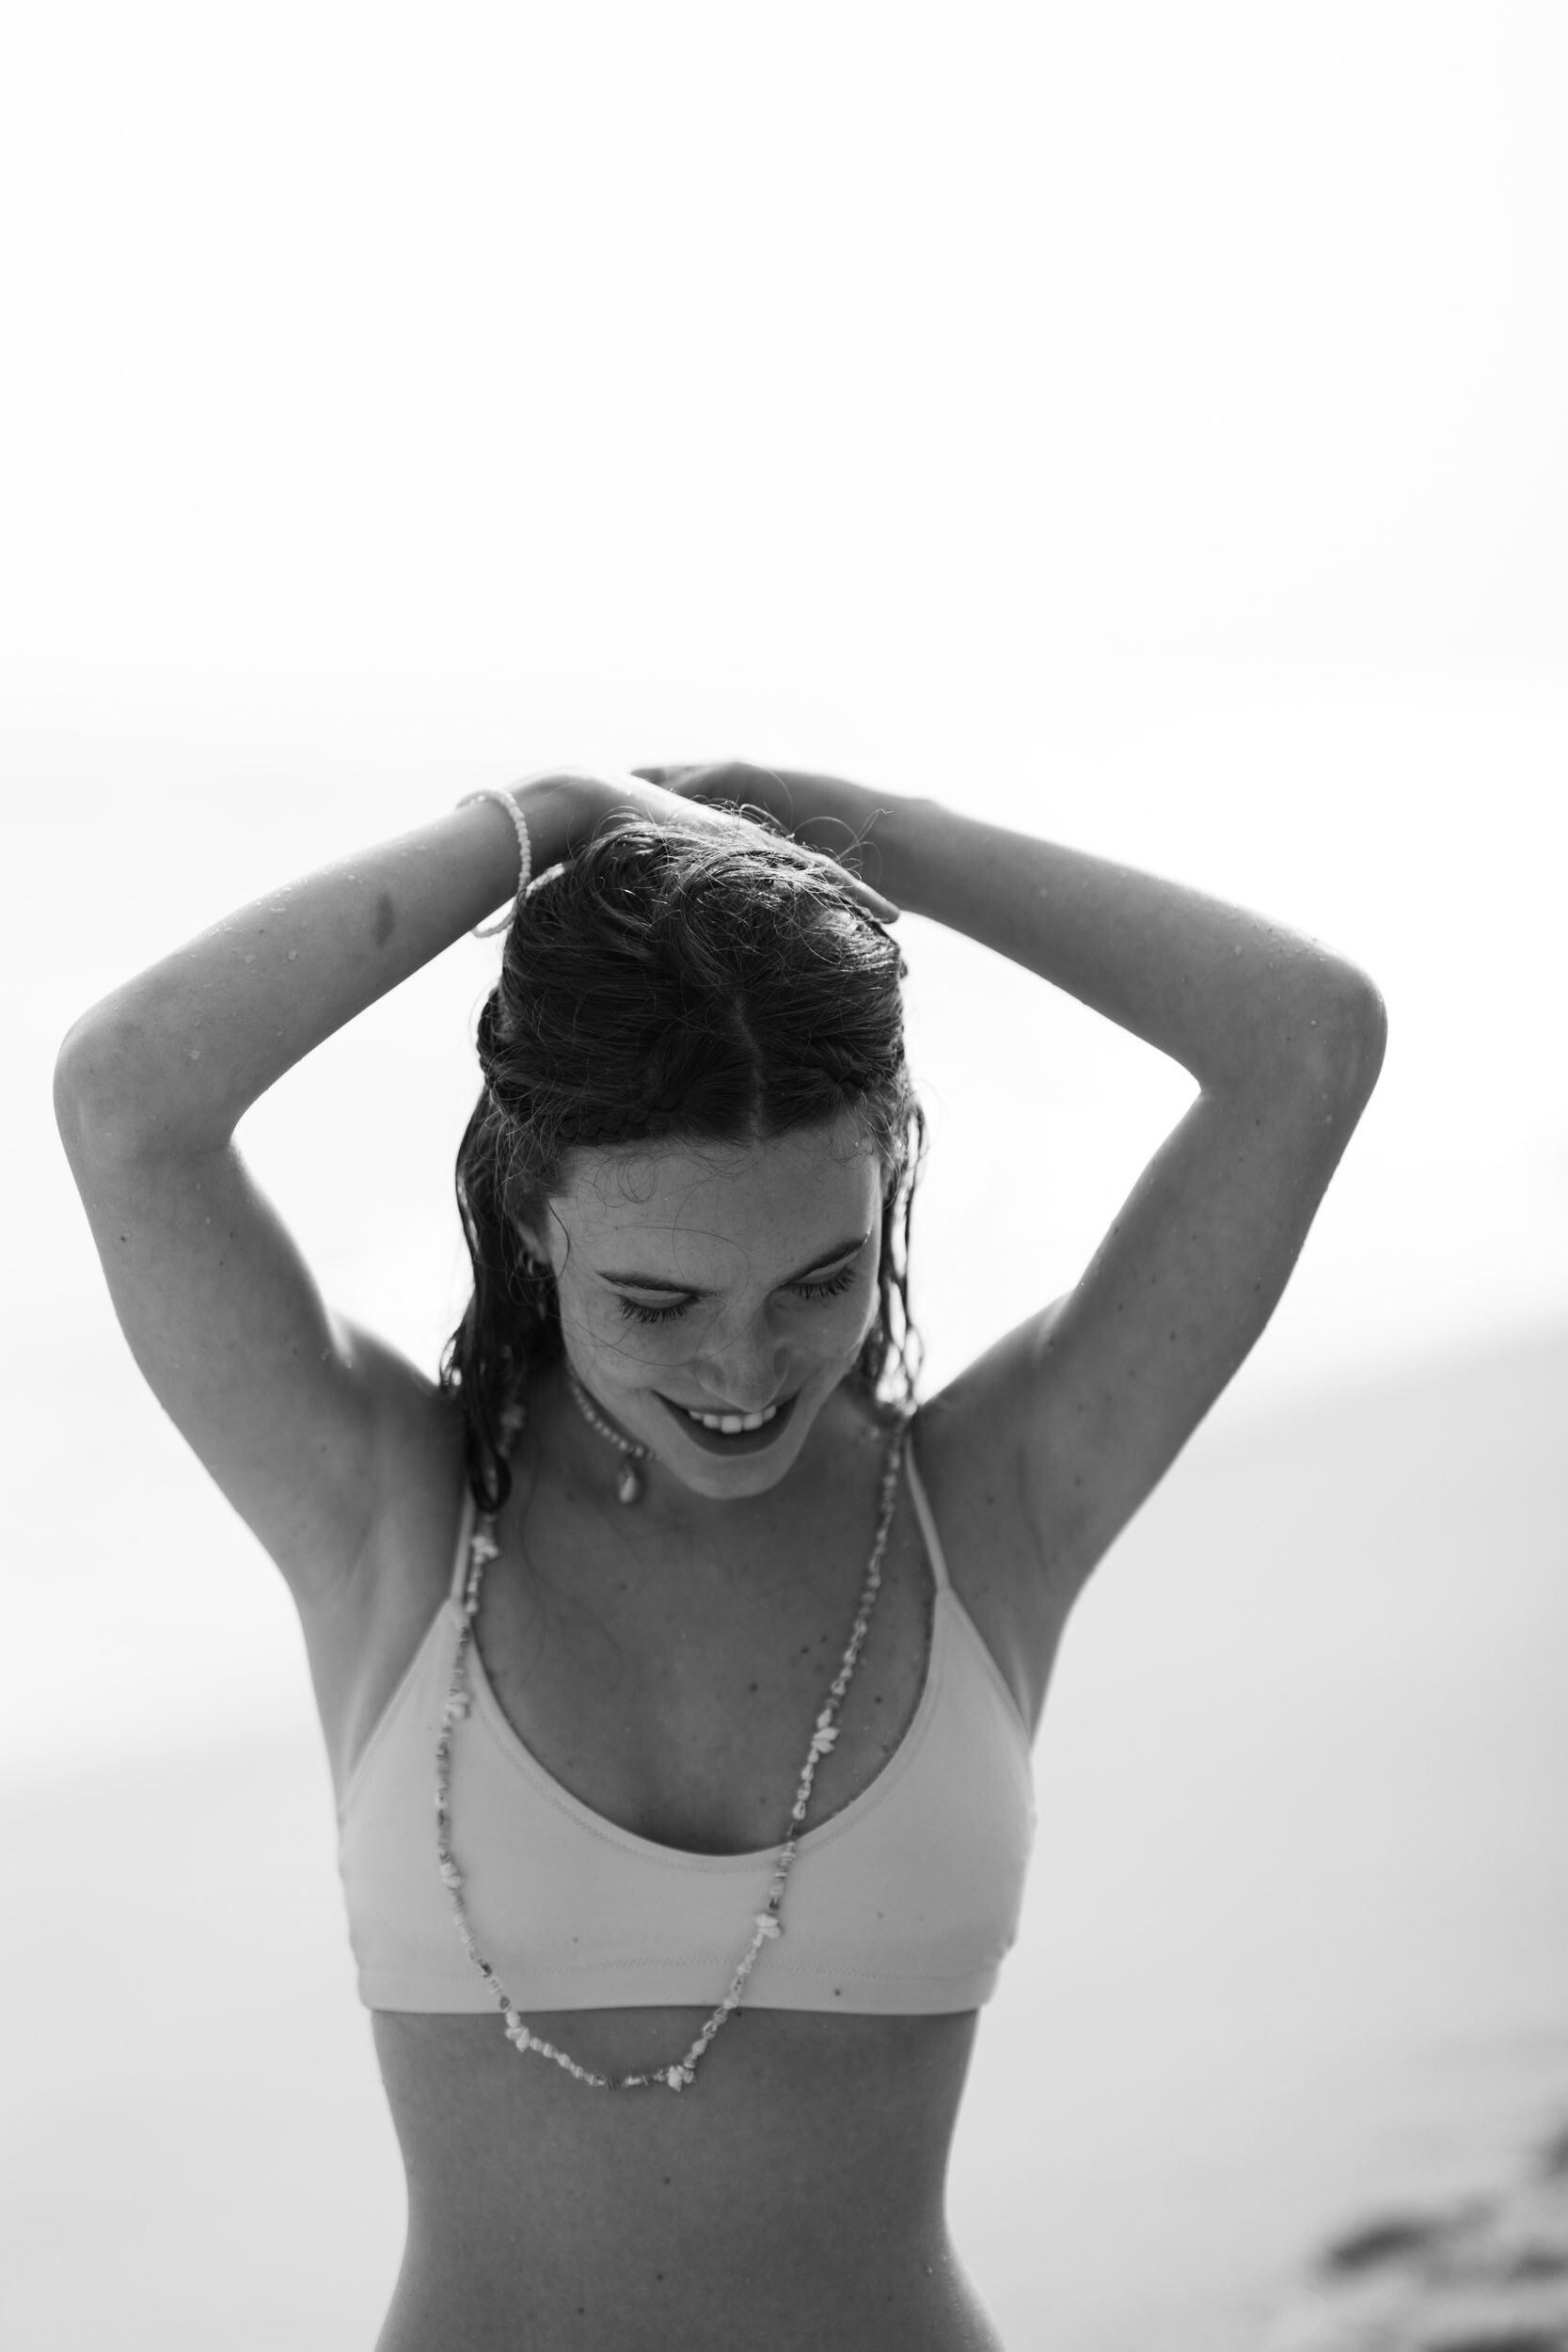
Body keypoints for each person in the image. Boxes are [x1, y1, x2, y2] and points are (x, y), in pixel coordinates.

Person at [54, 761, 1386, 2351]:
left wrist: (848, 846)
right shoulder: (394, 1513)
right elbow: (125, 1100)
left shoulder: (994, 1503)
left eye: (820, 1280)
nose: (745, 1373)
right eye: (658, 1303)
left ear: (894, 1181)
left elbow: (1309, 1040)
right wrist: (539, 820)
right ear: (533, 1222)